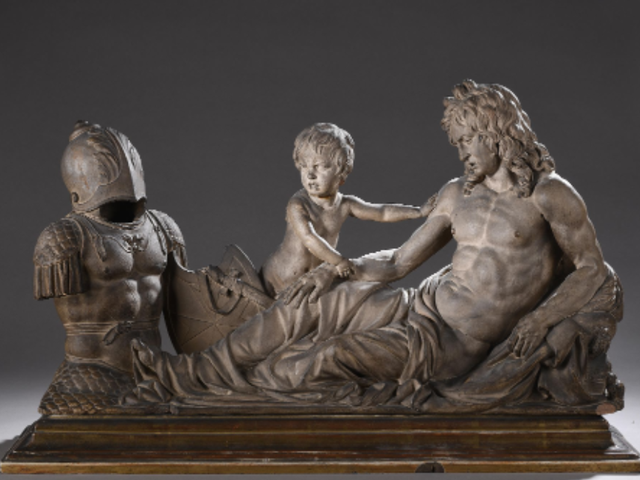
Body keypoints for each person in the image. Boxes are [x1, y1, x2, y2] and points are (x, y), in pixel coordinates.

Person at [127, 81, 622, 412]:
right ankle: (192, 372)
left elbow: (592, 270)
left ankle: (222, 394)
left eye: (467, 140)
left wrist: (540, 319)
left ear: (495, 135)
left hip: (450, 343)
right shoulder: (457, 193)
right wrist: (335, 271)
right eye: (457, 142)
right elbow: (400, 261)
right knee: (311, 303)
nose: (461, 152)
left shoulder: (549, 196)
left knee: (324, 358)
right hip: (417, 305)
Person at [34, 121, 187, 414]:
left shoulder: (163, 227)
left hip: (155, 370)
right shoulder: (65, 236)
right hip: (90, 374)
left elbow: (187, 300)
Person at [261, 123, 436, 297]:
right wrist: (338, 261)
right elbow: (309, 238)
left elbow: (382, 212)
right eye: (304, 166)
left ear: (342, 171)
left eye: (320, 166)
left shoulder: (345, 204)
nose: (310, 174)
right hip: (278, 278)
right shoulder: (298, 204)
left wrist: (418, 212)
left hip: (311, 279)